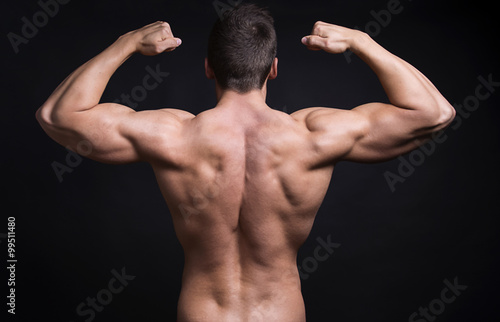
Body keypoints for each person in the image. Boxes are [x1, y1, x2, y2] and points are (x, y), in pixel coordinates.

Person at [36, 4, 455, 321]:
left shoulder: (173, 136)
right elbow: (434, 113)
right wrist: (362, 41)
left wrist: (126, 42)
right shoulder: (312, 136)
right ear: (273, 69)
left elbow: (58, 116)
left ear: (207, 68)